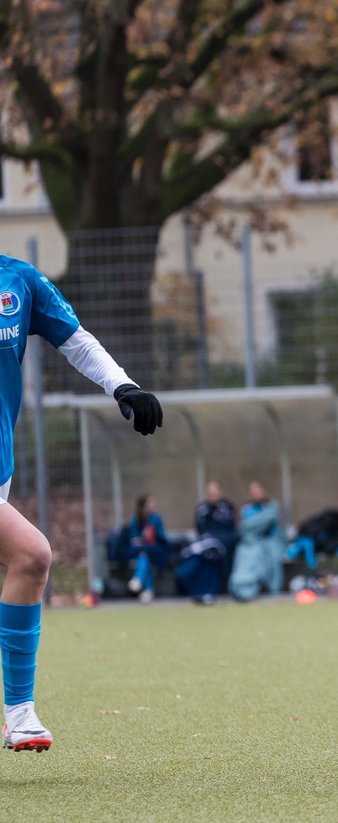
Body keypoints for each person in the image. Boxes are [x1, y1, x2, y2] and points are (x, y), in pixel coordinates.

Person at [0, 254, 163, 753]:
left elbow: (75, 341)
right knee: (32, 555)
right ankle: (20, 711)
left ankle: (18, 713)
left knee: (27, 561)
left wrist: (123, 385)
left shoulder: (18, 279)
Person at [228, 481, 285, 602]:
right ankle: (243, 588)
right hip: (251, 543)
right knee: (245, 555)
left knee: (273, 556)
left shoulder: (271, 507)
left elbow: (268, 522)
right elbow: (246, 527)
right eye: (253, 492)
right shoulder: (247, 509)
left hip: (269, 541)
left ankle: (274, 590)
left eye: (257, 490)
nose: (255, 493)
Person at [124, 494, 170, 603]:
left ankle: (139, 579)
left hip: (156, 552)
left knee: (144, 556)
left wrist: (151, 537)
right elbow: (134, 538)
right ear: (143, 506)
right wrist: (142, 539)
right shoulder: (135, 519)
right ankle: (148, 590)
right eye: (150, 503)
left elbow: (162, 538)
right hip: (140, 551)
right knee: (143, 556)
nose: (153, 505)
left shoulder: (156, 519)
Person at [194, 481, 238, 591]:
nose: (213, 494)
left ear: (220, 492)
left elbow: (231, 527)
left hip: (226, 543)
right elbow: (200, 529)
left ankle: (229, 587)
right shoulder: (202, 509)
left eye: (215, 491)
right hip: (207, 544)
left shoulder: (227, 506)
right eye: (210, 492)